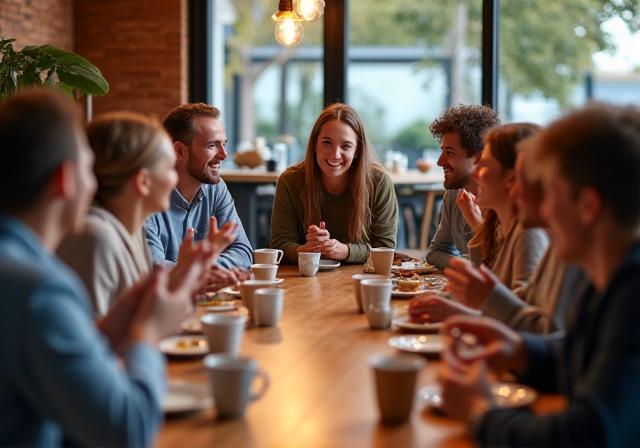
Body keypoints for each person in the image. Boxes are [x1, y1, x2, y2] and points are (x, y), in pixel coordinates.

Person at [0, 89, 210, 446]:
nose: (96, 182)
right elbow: (129, 431)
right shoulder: (40, 290)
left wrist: (105, 332)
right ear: (65, 180)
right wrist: (147, 333)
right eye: (87, 168)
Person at [437, 103, 640, 446]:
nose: (542, 209)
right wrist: (518, 350)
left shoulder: (633, 296)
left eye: (552, 192)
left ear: (588, 207)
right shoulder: (612, 280)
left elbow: (586, 434)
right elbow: (579, 356)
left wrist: (478, 411)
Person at [58, 112, 236, 315]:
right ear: (143, 181)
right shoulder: (97, 238)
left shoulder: (129, 232)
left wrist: (186, 273)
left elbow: (139, 309)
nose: (174, 180)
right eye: (169, 168)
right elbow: (98, 340)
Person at [411, 123, 549, 322]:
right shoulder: (502, 227)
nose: (476, 174)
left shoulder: (528, 233)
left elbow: (523, 320)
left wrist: (459, 311)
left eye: (483, 165)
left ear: (512, 178)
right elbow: (492, 303)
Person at [270, 103, 397, 264]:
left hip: (362, 278)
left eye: (346, 146)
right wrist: (306, 250)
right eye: (327, 143)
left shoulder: (379, 182)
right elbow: (279, 244)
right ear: (315, 144)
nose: (335, 154)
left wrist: (344, 251)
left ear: (357, 150)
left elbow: (385, 248)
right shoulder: (290, 181)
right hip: (306, 277)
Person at [145, 103, 252, 287]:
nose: (224, 155)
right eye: (212, 145)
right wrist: (204, 271)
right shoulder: (148, 195)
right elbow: (153, 269)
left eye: (224, 144)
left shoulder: (216, 188)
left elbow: (243, 251)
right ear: (179, 151)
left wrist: (202, 270)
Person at [425, 104, 500, 269]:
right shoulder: (454, 195)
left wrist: (466, 267)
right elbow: (436, 252)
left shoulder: (503, 204)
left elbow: (501, 266)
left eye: (450, 153)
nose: (439, 162)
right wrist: (467, 267)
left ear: (478, 158)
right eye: (442, 151)